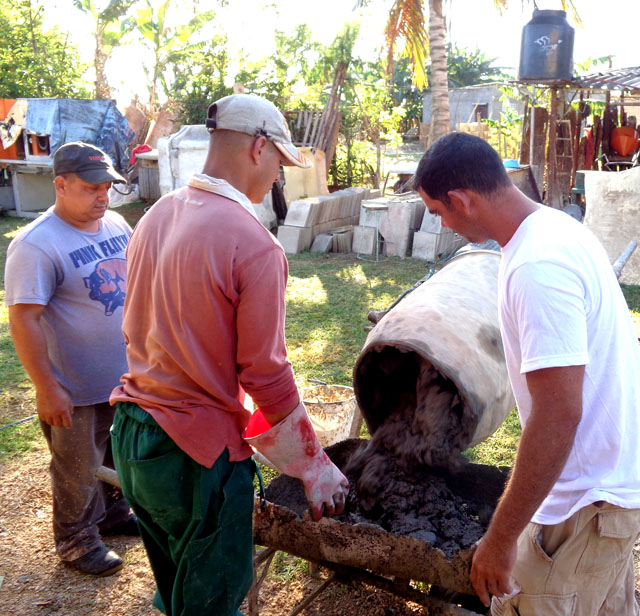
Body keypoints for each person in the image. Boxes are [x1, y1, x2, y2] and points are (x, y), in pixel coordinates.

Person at [109, 93, 349, 616]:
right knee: (212, 605)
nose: (278, 178)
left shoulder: (156, 215)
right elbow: (264, 372)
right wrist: (315, 466)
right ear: (258, 148)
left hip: (133, 436)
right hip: (194, 456)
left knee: (179, 589)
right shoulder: (255, 244)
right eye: (279, 164)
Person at [414, 132, 640, 615]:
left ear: (460, 200)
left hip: (583, 506)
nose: (443, 223)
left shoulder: (538, 265)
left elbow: (558, 414)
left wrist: (499, 539)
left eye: (438, 212)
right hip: (609, 492)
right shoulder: (556, 227)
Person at [4, 142, 137, 577]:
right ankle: (76, 539)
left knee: (118, 453)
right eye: (92, 187)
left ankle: (114, 515)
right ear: (61, 185)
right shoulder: (36, 244)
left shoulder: (115, 223)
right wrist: (47, 387)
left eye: (108, 187)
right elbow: (24, 320)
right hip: (74, 385)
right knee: (77, 466)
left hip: (125, 376)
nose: (104, 196)